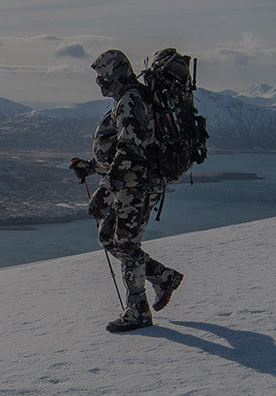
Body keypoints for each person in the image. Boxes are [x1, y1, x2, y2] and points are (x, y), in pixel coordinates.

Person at [70, 49, 185, 333]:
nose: (99, 81)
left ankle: (138, 311)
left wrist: (104, 191)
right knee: (109, 238)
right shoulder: (128, 99)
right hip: (132, 183)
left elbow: (130, 152)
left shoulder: (131, 100)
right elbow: (124, 150)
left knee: (125, 245)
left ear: (115, 72)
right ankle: (163, 277)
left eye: (102, 75)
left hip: (139, 187)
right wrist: (90, 167)